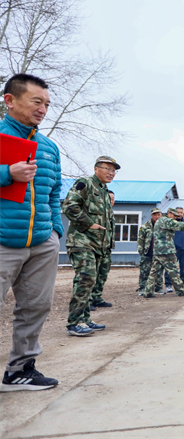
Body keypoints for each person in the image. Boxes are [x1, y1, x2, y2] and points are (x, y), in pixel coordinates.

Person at [0, 73, 62, 391]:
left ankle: (20, 370)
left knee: (36, 306)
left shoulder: (49, 147)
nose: (43, 109)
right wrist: (6, 173)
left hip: (41, 242)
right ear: (10, 100)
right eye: (37, 101)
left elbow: (54, 192)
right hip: (3, 241)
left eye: (47, 104)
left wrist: (55, 231)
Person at [62, 156, 118, 336]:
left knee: (91, 281)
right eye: (107, 168)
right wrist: (89, 223)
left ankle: (85, 319)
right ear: (96, 169)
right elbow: (69, 206)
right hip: (81, 242)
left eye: (113, 170)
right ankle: (74, 323)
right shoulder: (85, 183)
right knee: (85, 279)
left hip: (98, 246)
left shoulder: (104, 191)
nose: (111, 173)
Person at [143, 208, 184, 298]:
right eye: (174, 215)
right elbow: (179, 225)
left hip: (158, 251)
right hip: (167, 251)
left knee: (154, 271)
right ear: (169, 213)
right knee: (173, 270)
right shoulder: (167, 221)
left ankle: (148, 291)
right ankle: (180, 291)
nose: (175, 218)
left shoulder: (159, 221)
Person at [89, 189, 115, 311]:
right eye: (109, 198)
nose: (111, 201)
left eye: (113, 199)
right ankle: (88, 300)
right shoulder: (96, 213)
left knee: (103, 274)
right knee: (91, 275)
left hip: (106, 248)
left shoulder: (110, 213)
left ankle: (97, 297)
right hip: (95, 247)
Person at [164, 207, 184, 292]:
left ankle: (181, 285)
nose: (180, 214)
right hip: (174, 250)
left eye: (181, 212)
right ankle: (168, 285)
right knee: (171, 268)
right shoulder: (172, 223)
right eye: (178, 212)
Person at [137, 209, 164, 294]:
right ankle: (143, 287)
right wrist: (141, 251)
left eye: (158, 215)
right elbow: (140, 240)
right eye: (155, 215)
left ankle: (158, 287)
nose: (157, 217)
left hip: (159, 252)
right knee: (144, 271)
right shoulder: (145, 226)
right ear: (152, 216)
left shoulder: (163, 226)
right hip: (148, 252)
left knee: (159, 271)